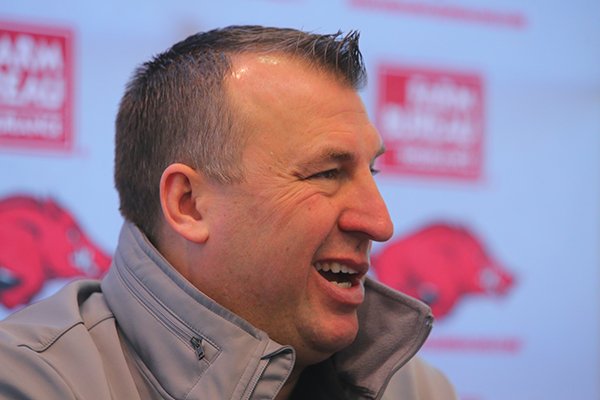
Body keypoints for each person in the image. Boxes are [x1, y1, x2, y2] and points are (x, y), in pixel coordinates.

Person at [0, 25, 457, 399]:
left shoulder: (416, 389)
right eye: (326, 173)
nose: (381, 223)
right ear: (189, 205)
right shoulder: (29, 382)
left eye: (370, 171)